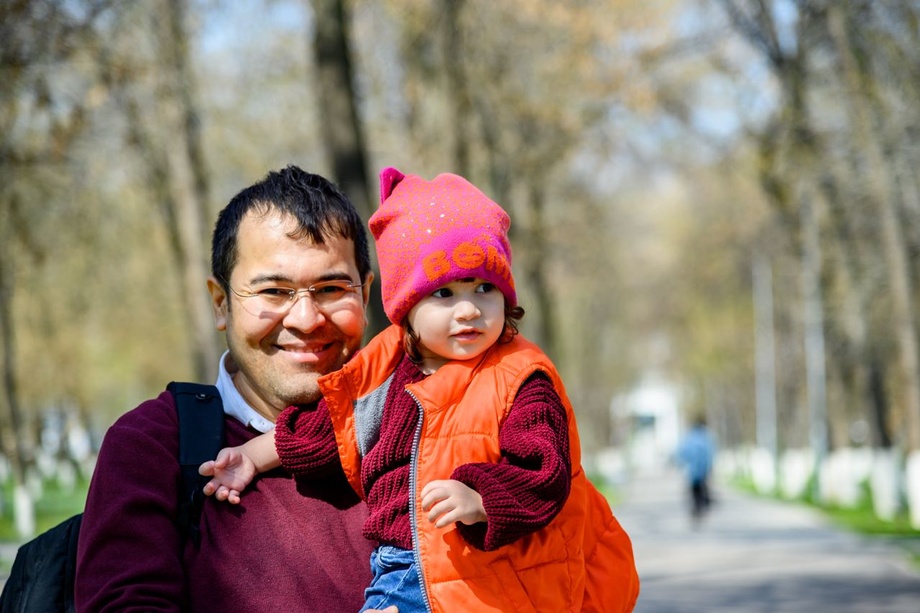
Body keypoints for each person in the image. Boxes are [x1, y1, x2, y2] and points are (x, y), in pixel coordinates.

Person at [199, 167, 640, 612]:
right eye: (444, 294)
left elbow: (544, 471)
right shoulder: (386, 368)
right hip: (398, 568)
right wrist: (253, 456)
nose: (468, 309)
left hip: (476, 573)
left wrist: (480, 497)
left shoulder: (519, 376)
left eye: (485, 288)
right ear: (405, 308)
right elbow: (328, 430)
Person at [75, 166, 397, 612]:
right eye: (273, 291)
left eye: (330, 288)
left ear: (365, 295)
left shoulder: (425, 422)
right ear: (221, 303)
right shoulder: (153, 446)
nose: (305, 320)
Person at [677, 415, 716, 523]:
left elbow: (683, 453)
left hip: (692, 470)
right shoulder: (706, 437)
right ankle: (700, 508)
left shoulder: (690, 437)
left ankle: (696, 508)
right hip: (703, 469)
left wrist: (681, 464)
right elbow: (711, 453)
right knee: (702, 489)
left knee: (694, 490)